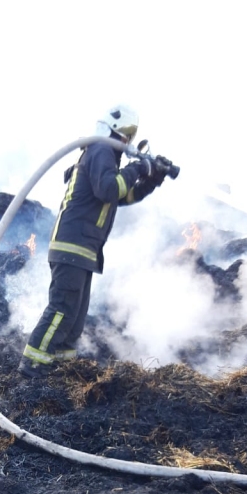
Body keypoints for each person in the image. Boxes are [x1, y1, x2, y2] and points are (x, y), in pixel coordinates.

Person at [18, 104, 167, 378]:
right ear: (116, 131)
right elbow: (109, 188)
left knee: (74, 319)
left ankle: (60, 369)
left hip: (84, 249)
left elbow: (122, 197)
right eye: (126, 137)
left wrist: (153, 178)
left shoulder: (104, 159)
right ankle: (32, 367)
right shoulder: (99, 150)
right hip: (72, 245)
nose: (127, 144)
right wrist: (138, 168)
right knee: (62, 309)